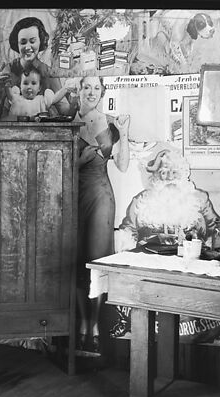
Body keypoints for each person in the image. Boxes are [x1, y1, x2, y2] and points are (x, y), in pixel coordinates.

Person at [72, 76, 131, 352]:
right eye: (87, 87)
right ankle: (81, 325)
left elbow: (121, 165)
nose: (92, 92)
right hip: (72, 197)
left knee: (95, 262)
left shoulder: (108, 123)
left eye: (97, 88)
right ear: (79, 91)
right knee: (76, 263)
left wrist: (125, 133)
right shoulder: (69, 120)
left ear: (103, 92)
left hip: (101, 198)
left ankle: (93, 327)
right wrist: (78, 161)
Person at [0, 16, 71, 119]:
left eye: (32, 41)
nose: (27, 47)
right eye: (23, 42)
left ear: (40, 42)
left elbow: (65, 110)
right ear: (17, 45)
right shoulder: (9, 70)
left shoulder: (48, 72)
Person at [4, 65, 75, 120]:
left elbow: (55, 99)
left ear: (39, 88)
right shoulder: (16, 99)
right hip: (17, 131)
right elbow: (10, 95)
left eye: (33, 83)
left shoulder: (42, 100)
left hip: (38, 132)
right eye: (25, 83)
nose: (29, 86)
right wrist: (7, 84)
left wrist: (65, 89)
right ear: (20, 86)